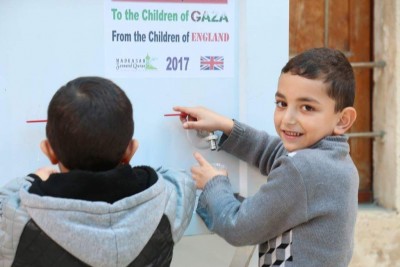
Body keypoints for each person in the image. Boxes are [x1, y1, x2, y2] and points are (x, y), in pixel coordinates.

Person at [174, 47, 359, 266]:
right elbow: (274, 152)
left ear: (342, 120)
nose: (288, 119)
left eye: (307, 107)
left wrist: (214, 184)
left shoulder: (304, 169)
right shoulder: (336, 161)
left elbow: (239, 227)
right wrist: (226, 125)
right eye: (282, 103)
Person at [0, 76, 196, 267]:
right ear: (131, 150)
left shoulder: (16, 217)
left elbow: (7, 197)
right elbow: (175, 178)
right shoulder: (173, 196)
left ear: (49, 151)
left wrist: (33, 179)